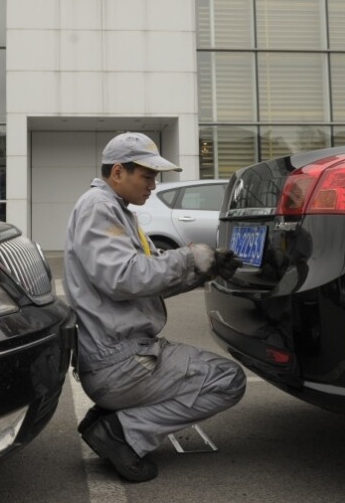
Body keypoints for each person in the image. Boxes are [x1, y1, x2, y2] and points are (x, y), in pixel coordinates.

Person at [63, 132, 246, 483]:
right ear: (118, 172)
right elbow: (124, 276)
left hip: (112, 356)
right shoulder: (99, 208)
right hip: (119, 361)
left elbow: (145, 279)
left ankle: (110, 418)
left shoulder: (114, 209)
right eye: (147, 176)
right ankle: (123, 433)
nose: (153, 185)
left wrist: (204, 269)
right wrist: (189, 257)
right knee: (229, 380)